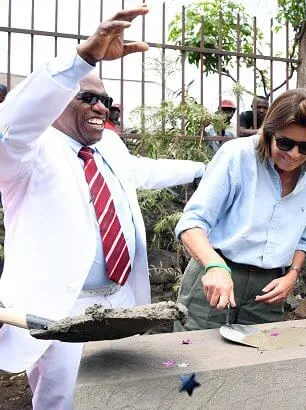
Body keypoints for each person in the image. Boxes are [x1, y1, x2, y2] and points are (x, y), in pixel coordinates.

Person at [0, 7, 206, 409]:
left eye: (106, 101)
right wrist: (83, 59)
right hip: (60, 308)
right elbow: (12, 125)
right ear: (58, 100)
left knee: (117, 393)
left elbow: (140, 171)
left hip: (117, 302)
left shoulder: (108, 145)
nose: (101, 107)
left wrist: (204, 169)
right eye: (88, 97)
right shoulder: (26, 152)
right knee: (61, 397)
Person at [175, 88, 306, 330]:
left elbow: (302, 240)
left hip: (268, 289)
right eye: (285, 143)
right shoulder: (237, 156)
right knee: (197, 359)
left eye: (305, 147)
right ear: (269, 132)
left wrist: (292, 276)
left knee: (256, 363)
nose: (294, 155)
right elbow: (192, 222)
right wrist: (213, 265)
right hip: (218, 274)